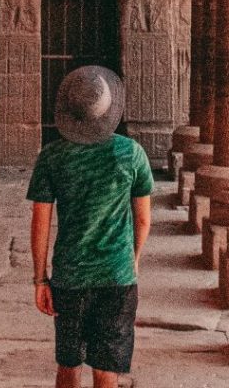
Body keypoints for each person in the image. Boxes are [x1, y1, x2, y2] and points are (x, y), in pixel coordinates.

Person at [27, 66, 154, 388]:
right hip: (117, 274)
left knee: (69, 363)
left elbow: (40, 220)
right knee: (106, 367)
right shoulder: (131, 154)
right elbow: (142, 219)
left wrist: (41, 278)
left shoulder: (52, 157)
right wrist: (132, 259)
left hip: (70, 275)